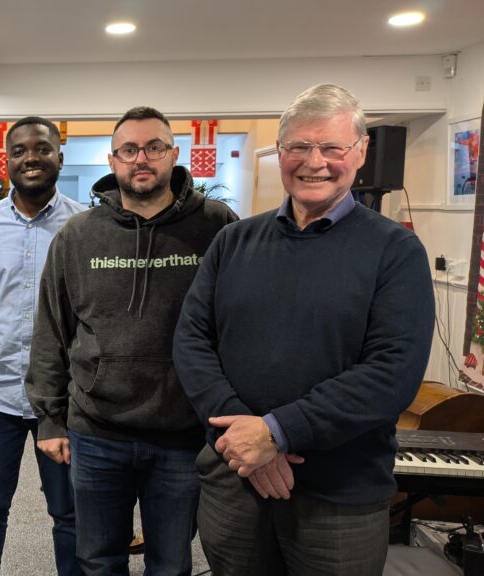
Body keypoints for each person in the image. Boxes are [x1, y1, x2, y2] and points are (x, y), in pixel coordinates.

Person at [173, 83, 434, 575]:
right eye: (298, 147)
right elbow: (191, 342)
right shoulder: (233, 241)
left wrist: (277, 433)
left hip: (339, 499)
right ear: (280, 152)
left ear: (359, 153)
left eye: (332, 147)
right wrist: (244, 435)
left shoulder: (395, 251)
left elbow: (391, 374)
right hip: (235, 479)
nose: (315, 161)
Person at [26, 106, 237, 576]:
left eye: (154, 147)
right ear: (113, 158)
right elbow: (51, 330)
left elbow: (239, 326)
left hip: (183, 435)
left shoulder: (218, 225)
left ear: (173, 154)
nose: (141, 159)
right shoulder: (78, 236)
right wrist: (50, 419)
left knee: (171, 563)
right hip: (97, 432)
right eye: (129, 150)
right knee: (99, 561)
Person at [0, 116, 86, 576]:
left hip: (63, 400)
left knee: (67, 511)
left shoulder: (84, 226)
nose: (31, 157)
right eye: (20, 150)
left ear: (58, 157)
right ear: (6, 159)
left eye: (42, 148)